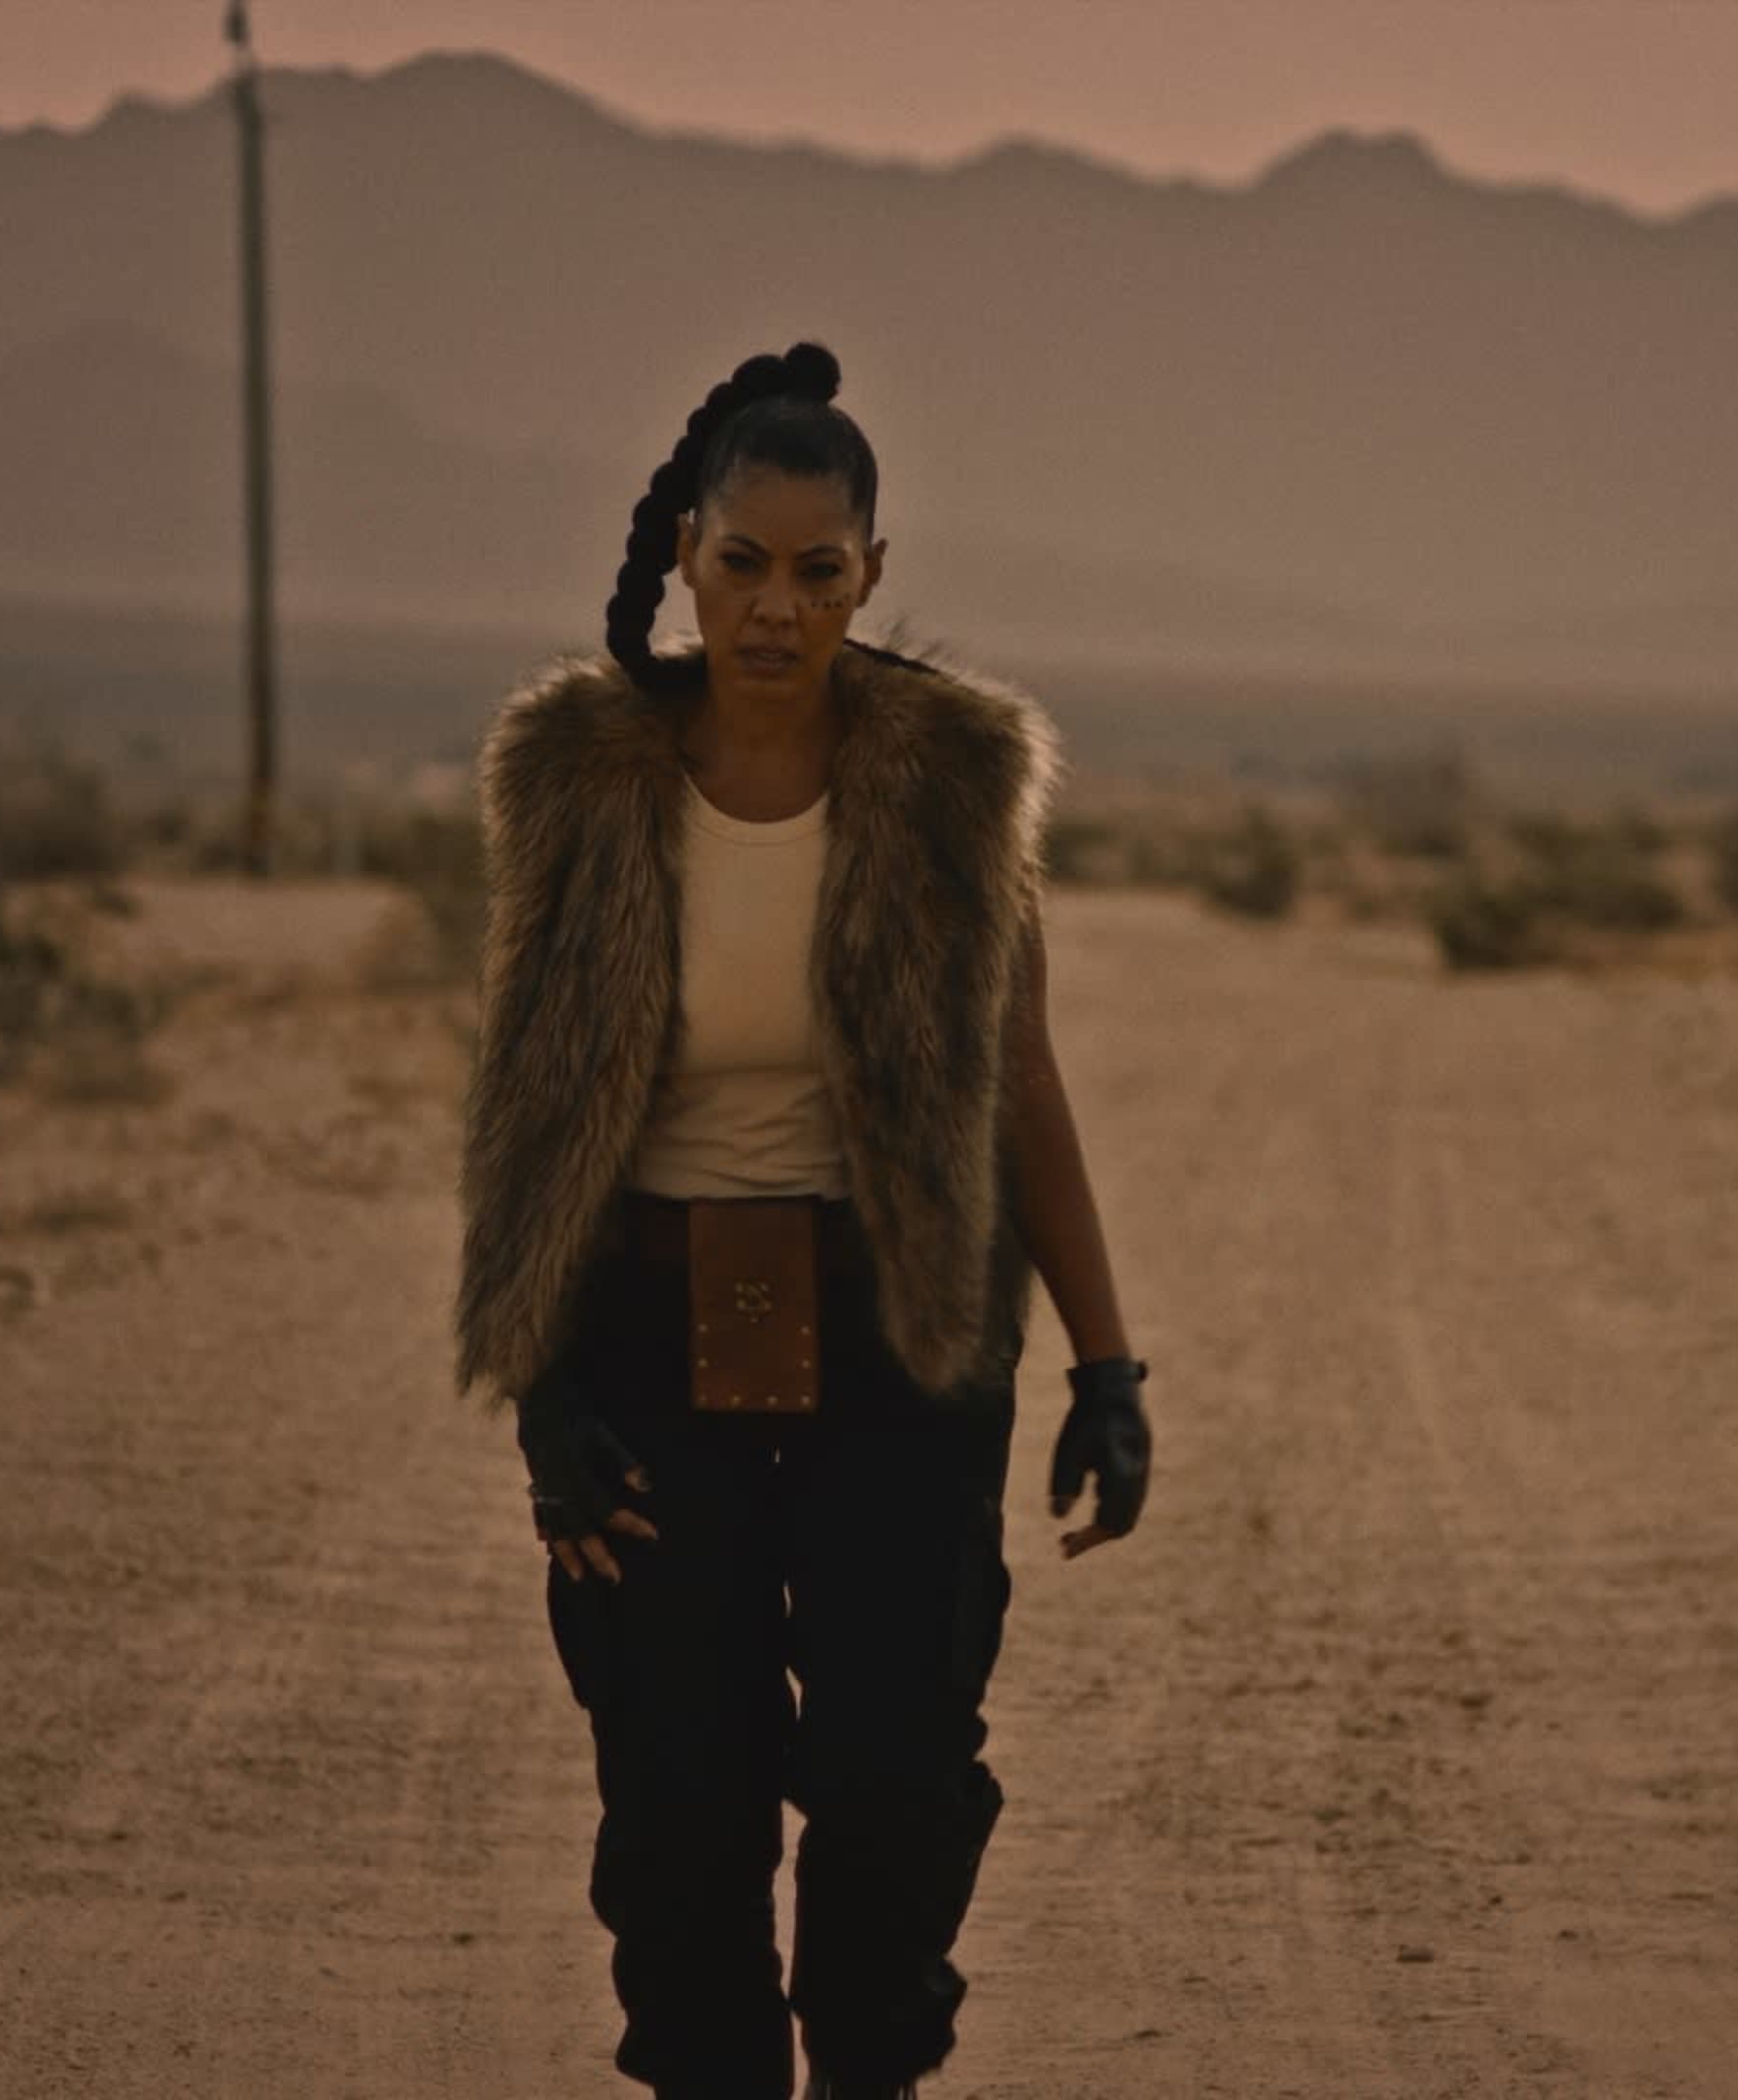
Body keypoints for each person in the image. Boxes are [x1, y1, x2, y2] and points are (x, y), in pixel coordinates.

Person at [453, 339, 1156, 2100]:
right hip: (643, 1333)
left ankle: (867, 2070)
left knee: (894, 1770)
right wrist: (540, 1385)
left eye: (819, 571)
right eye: (745, 564)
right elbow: (529, 1099)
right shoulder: (582, 775)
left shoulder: (951, 781)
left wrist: (1108, 1367)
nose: (778, 608)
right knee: (678, 1785)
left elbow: (1022, 1075)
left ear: (871, 574)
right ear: (688, 560)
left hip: (898, 1332)